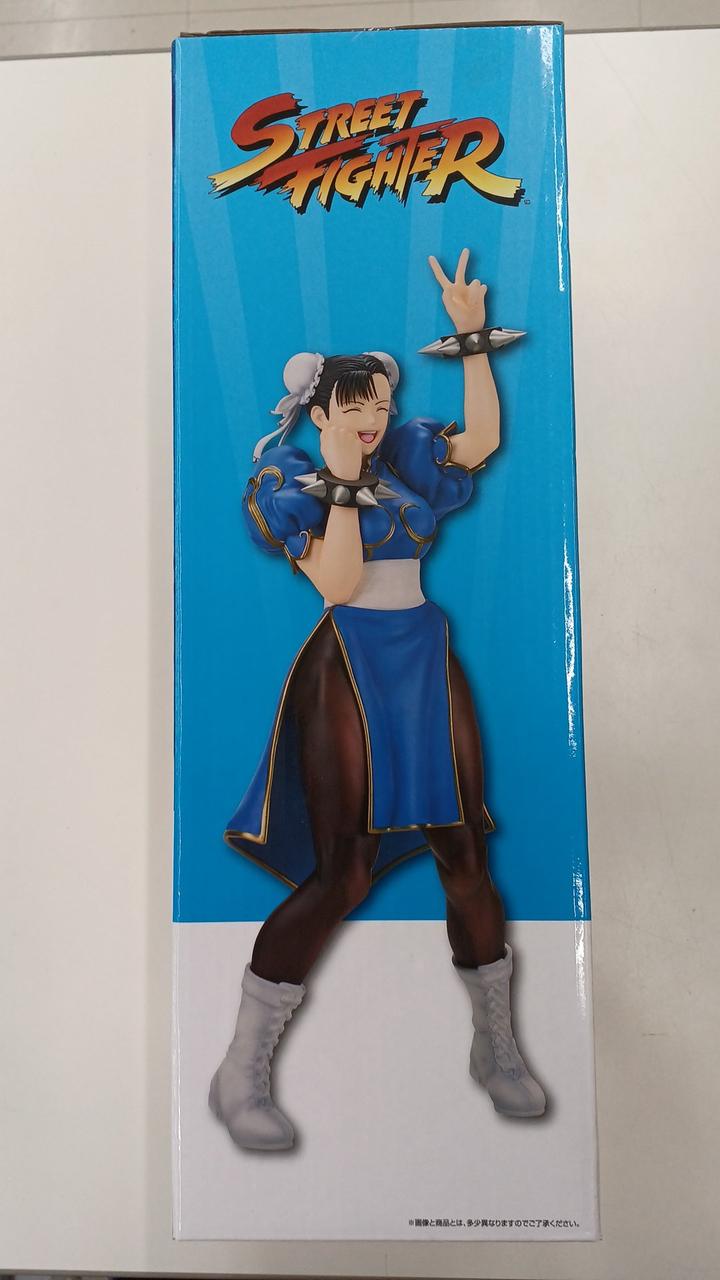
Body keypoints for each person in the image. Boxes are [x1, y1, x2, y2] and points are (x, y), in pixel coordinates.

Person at [209, 249, 546, 1152]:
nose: (375, 419)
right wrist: (342, 484)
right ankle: (241, 1066)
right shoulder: (287, 480)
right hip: (350, 662)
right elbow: (338, 583)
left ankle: (495, 1046)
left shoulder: (400, 455)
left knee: (464, 852)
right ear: (321, 410)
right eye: (357, 406)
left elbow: (479, 443)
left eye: (383, 405)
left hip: (424, 653)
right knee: (345, 872)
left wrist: (473, 340)